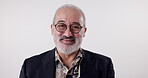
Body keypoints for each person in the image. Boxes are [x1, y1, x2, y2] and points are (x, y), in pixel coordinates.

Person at [19, 4, 115, 78]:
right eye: (61, 26)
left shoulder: (104, 66)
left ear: (84, 31)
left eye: (75, 27)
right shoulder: (30, 67)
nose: (68, 34)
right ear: (52, 29)